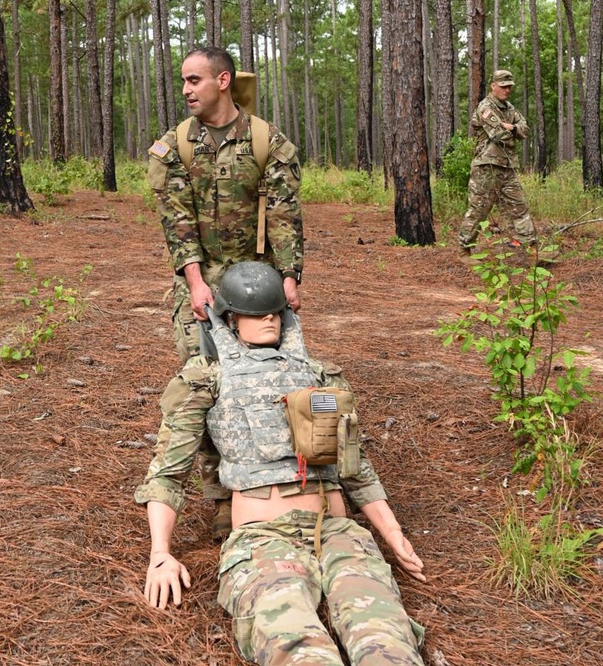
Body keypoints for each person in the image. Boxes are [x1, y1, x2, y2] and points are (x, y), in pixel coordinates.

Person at [135, 262, 426, 666]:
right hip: (264, 539)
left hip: (338, 532)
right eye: (255, 312)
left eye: (273, 310)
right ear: (232, 319)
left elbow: (356, 467)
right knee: (297, 649)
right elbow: (168, 471)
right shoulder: (208, 378)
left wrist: (392, 533)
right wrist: (160, 553)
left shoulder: (319, 376)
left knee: (387, 642)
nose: (268, 317)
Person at [147, 46, 305, 538]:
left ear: (223, 80)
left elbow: (284, 214)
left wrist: (289, 278)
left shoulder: (266, 141)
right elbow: (178, 223)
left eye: (195, 80)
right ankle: (221, 495)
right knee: (211, 386)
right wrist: (195, 284)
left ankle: (271, 484)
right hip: (203, 284)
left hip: (258, 286)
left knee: (266, 386)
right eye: (183, 82)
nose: (186, 90)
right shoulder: (175, 147)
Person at [457, 69, 539, 255]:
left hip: (507, 166)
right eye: (503, 86)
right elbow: (499, 135)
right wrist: (512, 130)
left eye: (509, 86)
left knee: (518, 207)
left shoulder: (510, 109)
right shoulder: (485, 107)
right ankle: (464, 250)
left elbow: (525, 130)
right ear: (493, 86)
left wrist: (511, 127)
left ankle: (529, 248)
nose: (507, 90)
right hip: (487, 167)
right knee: (479, 209)